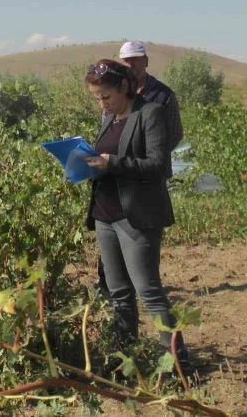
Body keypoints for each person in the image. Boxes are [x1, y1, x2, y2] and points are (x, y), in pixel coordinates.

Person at [83, 59, 192, 375]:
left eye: (106, 96)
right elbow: (105, 160)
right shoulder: (110, 118)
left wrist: (111, 163)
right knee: (119, 294)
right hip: (105, 215)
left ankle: (179, 367)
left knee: (149, 291)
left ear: (124, 87)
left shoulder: (151, 113)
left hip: (136, 218)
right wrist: (84, 164)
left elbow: (157, 165)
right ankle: (125, 361)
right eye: (97, 98)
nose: (102, 103)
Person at [95, 41, 184, 294]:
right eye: (126, 61)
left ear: (146, 61)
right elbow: (107, 131)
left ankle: (142, 284)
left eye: (136, 60)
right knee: (112, 245)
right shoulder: (113, 94)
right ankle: (112, 288)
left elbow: (175, 133)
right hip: (114, 182)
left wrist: (145, 156)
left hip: (146, 179)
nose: (131, 65)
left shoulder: (162, 95)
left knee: (143, 239)